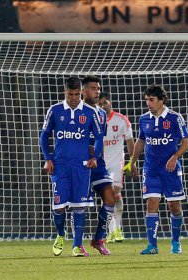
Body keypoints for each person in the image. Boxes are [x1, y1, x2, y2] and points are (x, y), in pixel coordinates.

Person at [40, 76, 103, 257]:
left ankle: (77, 245)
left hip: (81, 167)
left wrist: (95, 156)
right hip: (60, 167)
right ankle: (61, 234)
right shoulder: (55, 110)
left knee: (79, 206)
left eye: (76, 94)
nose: (74, 98)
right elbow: (44, 135)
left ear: (81, 93)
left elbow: (98, 138)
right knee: (59, 207)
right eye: (70, 94)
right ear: (64, 92)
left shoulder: (90, 112)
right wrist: (48, 158)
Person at [128, 85, 188, 255]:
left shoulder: (175, 118)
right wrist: (132, 162)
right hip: (151, 169)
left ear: (161, 100)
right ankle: (152, 245)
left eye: (151, 100)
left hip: (170, 170)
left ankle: (176, 241)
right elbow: (141, 141)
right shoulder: (143, 119)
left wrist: (175, 156)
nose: (148, 103)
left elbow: (185, 142)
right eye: (146, 100)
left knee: (174, 206)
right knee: (152, 203)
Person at [81, 76, 115, 255]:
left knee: (110, 198)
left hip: (98, 164)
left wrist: (96, 152)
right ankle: (75, 242)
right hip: (79, 164)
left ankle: (98, 239)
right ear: (83, 91)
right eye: (93, 88)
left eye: (98, 88)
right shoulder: (77, 111)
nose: (97, 91)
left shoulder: (101, 114)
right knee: (78, 205)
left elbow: (100, 139)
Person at [97, 92, 134, 243]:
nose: (103, 106)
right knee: (107, 195)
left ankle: (117, 228)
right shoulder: (94, 120)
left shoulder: (121, 120)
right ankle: (111, 230)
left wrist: (132, 162)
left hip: (117, 163)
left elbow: (130, 141)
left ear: (110, 102)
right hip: (101, 164)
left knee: (115, 192)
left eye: (105, 102)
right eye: (100, 104)